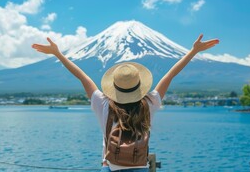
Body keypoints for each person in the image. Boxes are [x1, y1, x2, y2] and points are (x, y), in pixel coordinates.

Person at [32, 34, 219, 172]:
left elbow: (82, 76)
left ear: (113, 86)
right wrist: (193, 51)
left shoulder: (103, 104)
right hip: (140, 167)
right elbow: (170, 75)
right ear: (140, 86)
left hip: (110, 167)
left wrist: (58, 53)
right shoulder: (149, 103)